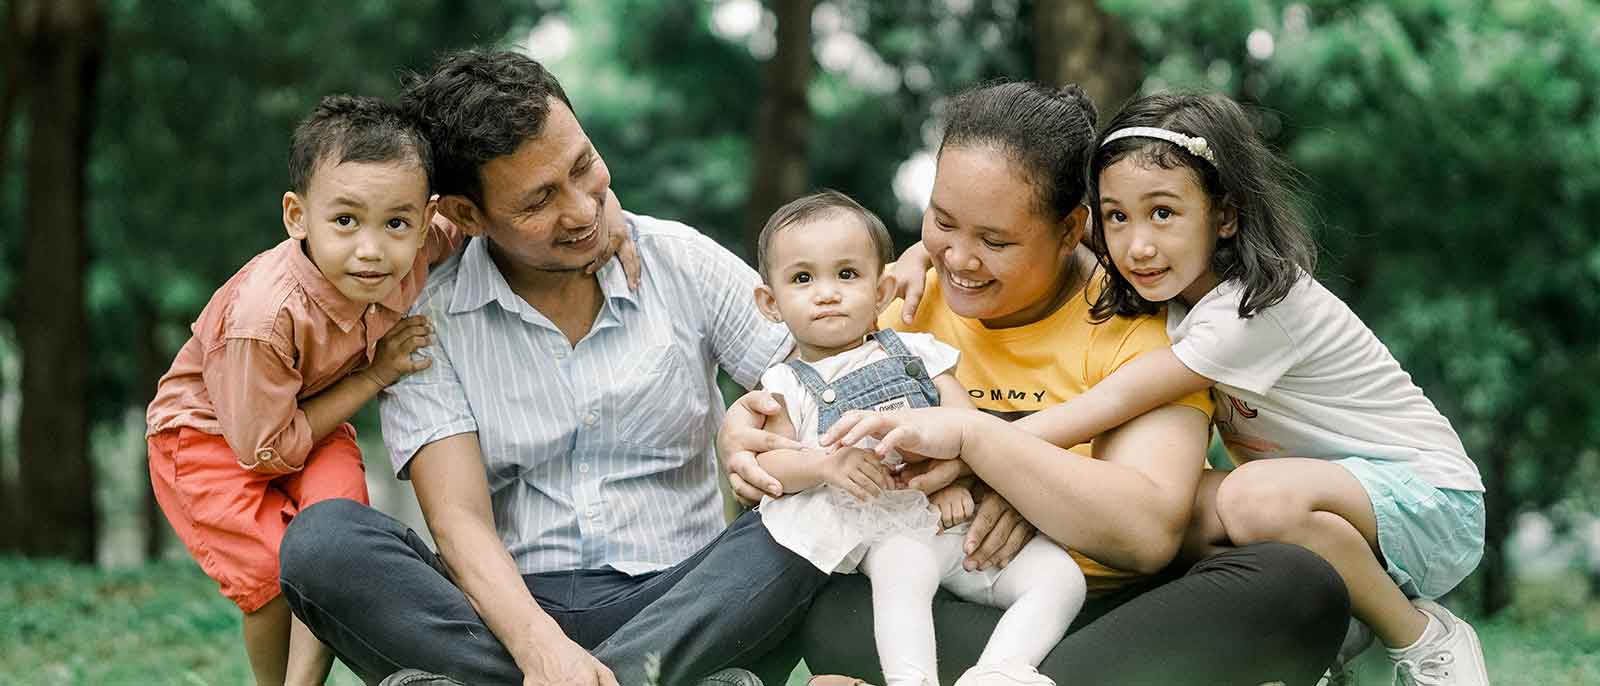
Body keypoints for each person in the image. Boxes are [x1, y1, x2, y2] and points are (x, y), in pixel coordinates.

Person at [721, 81, 1351, 686]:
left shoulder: (1138, 320)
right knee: (837, 610)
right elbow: (803, 456)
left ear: (1073, 229)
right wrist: (747, 440)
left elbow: (1148, 533)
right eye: (942, 222)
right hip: (941, 604)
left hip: (1113, 612)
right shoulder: (895, 300)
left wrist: (986, 451)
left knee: (1299, 583)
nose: (960, 259)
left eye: (995, 241)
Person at [275, 50, 828, 686]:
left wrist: (759, 426)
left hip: (686, 597)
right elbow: (459, 521)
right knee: (323, 543)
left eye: (583, 166)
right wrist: (543, 652)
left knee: (814, 513)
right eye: (539, 200)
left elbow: (827, 377)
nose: (583, 210)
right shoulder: (429, 321)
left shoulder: (680, 262)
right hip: (509, 617)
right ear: (463, 215)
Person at [956, 92, 1481, 685]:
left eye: (1163, 213)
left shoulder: (1253, 309)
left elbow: (1110, 403)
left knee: (1249, 499)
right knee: (1153, 504)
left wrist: (979, 449)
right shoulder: (1170, 288)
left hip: (1432, 500)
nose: (1138, 245)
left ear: (1225, 215)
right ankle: (1333, 635)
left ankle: (1420, 636)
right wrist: (924, 253)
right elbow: (1024, 232)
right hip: (1321, 507)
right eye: (1117, 217)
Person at [145, 94, 459, 686]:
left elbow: (494, 212)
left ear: (424, 216)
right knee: (269, 577)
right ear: (297, 217)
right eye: (345, 221)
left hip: (308, 421)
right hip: (214, 438)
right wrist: (375, 374)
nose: (371, 250)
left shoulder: (419, 243)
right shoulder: (264, 319)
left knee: (336, 547)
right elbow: (261, 449)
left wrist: (610, 219)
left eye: (396, 222)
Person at [747, 191, 1085, 686]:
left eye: (847, 275)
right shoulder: (787, 385)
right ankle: (913, 679)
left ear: (882, 291)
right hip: (886, 533)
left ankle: (1002, 668)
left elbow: (967, 425)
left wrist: (956, 476)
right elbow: (771, 467)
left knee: (1060, 577)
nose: (827, 292)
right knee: (901, 576)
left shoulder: (915, 352)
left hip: (955, 524)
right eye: (803, 278)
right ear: (770, 302)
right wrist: (823, 467)